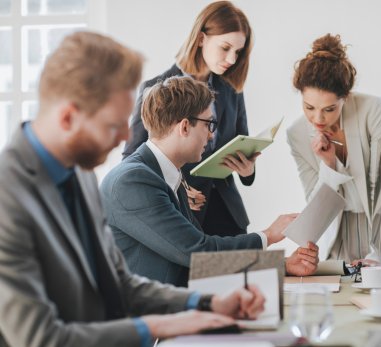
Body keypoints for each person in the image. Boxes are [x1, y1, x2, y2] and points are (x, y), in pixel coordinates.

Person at [0, 31, 268, 347]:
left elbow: (119, 283)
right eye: (114, 125)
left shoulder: (82, 175)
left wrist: (204, 303)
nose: (125, 139)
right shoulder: (9, 198)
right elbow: (41, 338)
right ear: (69, 117)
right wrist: (155, 327)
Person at [101, 76, 319, 288]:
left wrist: (282, 265)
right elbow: (197, 252)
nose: (212, 136)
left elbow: (204, 260)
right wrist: (268, 235)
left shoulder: (164, 174)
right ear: (184, 127)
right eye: (209, 124)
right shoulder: (133, 181)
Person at [123, 1, 257, 237]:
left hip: (229, 216)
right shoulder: (155, 89)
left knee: (239, 273)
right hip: (180, 218)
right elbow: (132, 163)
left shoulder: (232, 90)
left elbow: (241, 142)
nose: (232, 59)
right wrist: (177, 189)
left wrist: (248, 171)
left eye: (238, 52)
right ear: (202, 38)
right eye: (225, 47)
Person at [287, 34, 381, 264]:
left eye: (330, 109)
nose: (318, 118)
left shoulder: (373, 110)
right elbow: (316, 208)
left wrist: (380, 254)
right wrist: (329, 165)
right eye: (309, 107)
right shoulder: (296, 134)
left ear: (345, 97)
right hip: (338, 238)